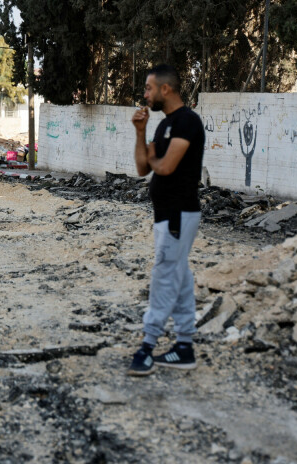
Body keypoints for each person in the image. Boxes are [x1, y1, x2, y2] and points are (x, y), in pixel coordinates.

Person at [128, 64, 205, 376]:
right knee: (180, 276)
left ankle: (148, 345)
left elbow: (166, 166)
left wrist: (154, 159)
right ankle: (184, 346)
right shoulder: (162, 126)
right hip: (167, 214)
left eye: (148, 88)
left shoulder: (187, 121)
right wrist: (140, 132)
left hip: (179, 213)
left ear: (165, 89)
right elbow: (142, 168)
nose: (144, 94)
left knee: (164, 275)